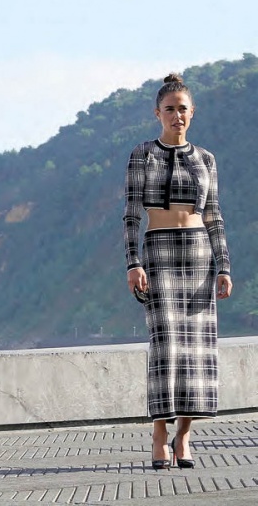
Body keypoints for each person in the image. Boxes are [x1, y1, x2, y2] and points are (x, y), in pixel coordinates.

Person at [123, 73, 232, 470]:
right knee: (165, 347)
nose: (177, 115)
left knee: (196, 351)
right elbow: (131, 214)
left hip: (199, 255)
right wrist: (133, 262)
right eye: (169, 109)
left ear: (192, 112)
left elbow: (214, 215)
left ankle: (183, 436)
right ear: (158, 113)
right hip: (159, 253)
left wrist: (224, 266)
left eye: (182, 109)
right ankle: (158, 433)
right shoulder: (143, 154)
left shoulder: (206, 159)